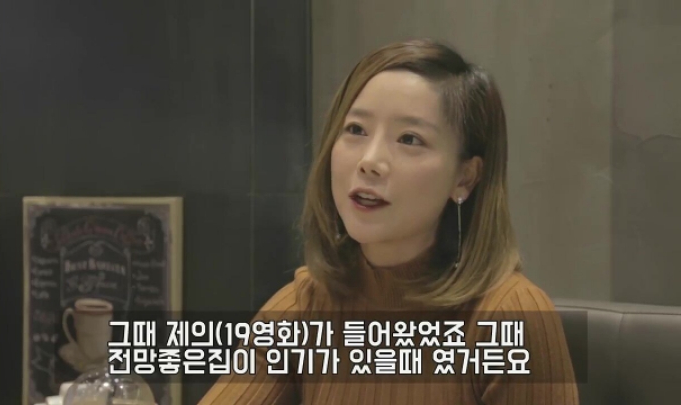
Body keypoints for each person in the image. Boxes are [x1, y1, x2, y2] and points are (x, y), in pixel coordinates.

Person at [199, 38, 579, 404]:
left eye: (409, 139)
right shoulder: (302, 308)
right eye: (356, 130)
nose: (370, 161)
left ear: (465, 177)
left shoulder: (510, 318)